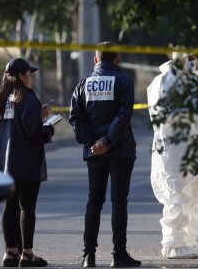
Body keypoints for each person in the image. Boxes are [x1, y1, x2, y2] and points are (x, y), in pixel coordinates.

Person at [69, 41, 141, 268]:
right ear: (117, 59)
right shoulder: (124, 82)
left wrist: (93, 143)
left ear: (96, 60)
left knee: (94, 202)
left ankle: (88, 256)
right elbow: (124, 114)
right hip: (120, 151)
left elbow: (76, 117)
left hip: (94, 154)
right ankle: (118, 255)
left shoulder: (83, 84)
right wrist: (108, 141)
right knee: (119, 203)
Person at [147, 53, 198, 259]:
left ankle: (189, 241)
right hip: (174, 149)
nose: (193, 61)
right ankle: (173, 244)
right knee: (176, 195)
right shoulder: (162, 81)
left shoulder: (194, 80)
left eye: (195, 56)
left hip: (194, 147)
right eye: (190, 56)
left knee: (194, 198)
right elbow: (164, 114)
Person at [0, 58, 53, 268]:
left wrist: (38, 117)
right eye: (29, 73)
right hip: (26, 161)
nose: (31, 77)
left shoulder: (4, 99)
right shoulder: (27, 98)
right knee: (27, 207)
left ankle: (10, 252)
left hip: (6, 163)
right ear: (21, 76)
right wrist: (47, 124)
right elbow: (36, 132)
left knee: (9, 206)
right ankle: (27, 254)